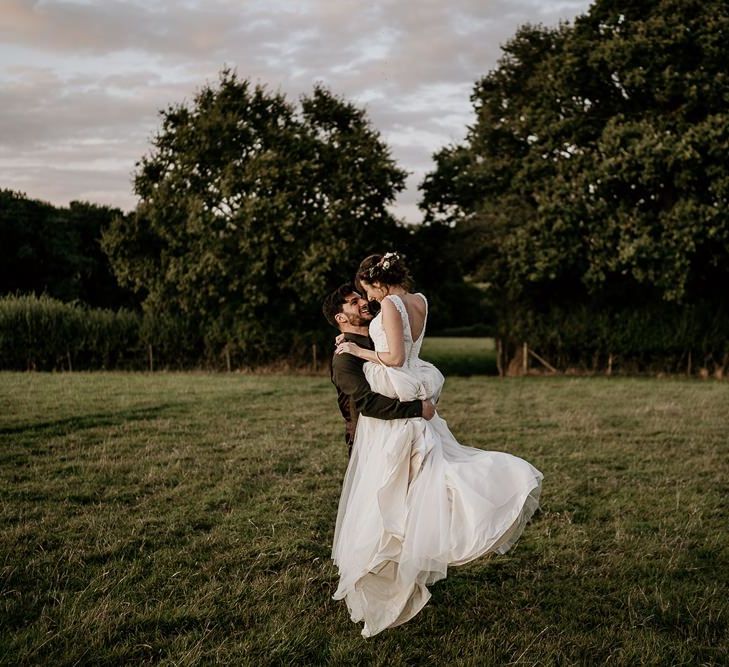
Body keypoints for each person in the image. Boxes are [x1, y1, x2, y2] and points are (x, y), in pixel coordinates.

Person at [330, 252, 543, 637]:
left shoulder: (392, 304)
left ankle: (393, 562)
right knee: (420, 477)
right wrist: (352, 339)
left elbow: (394, 357)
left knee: (396, 484)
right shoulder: (420, 300)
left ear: (377, 283)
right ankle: (403, 556)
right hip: (413, 386)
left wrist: (359, 350)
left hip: (400, 393)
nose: (368, 300)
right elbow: (405, 352)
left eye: (366, 291)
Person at [322, 284, 436, 456]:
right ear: (341, 318)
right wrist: (417, 408)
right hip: (369, 441)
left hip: (400, 431)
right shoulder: (344, 357)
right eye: (354, 302)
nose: (364, 301)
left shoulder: (380, 343)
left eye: (361, 297)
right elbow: (366, 403)